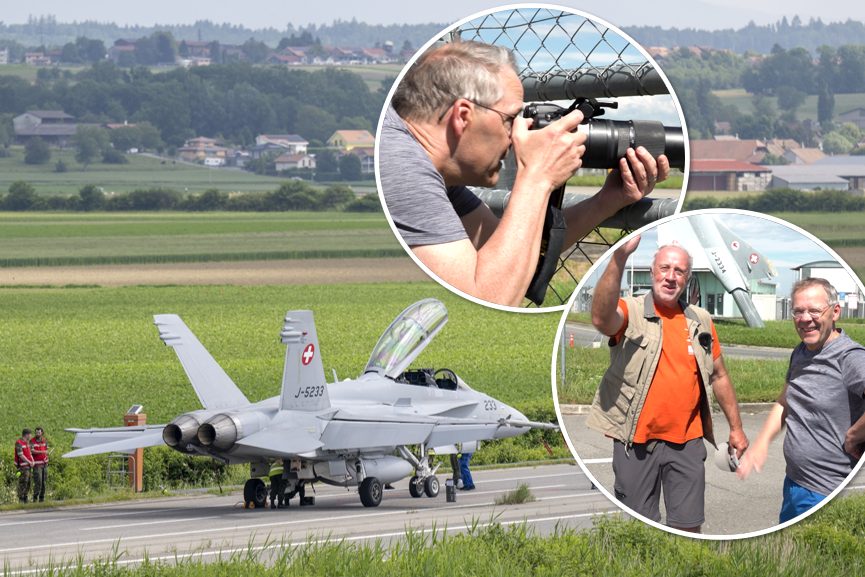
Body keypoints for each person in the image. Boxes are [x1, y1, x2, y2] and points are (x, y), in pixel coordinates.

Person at [379, 40, 670, 307]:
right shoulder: (404, 166)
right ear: (463, 116)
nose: (517, 135)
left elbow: (514, 253)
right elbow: (491, 296)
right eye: (509, 120)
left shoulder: (433, 172)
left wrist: (607, 201)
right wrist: (538, 177)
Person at [586, 236, 749, 532]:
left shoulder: (700, 319)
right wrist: (618, 257)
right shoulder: (631, 309)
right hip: (635, 442)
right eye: (665, 268)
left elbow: (720, 375)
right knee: (640, 529)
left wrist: (736, 429)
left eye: (679, 271)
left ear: (687, 278)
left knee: (689, 528)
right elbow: (601, 318)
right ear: (652, 272)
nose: (671, 277)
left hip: (687, 442)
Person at [737, 278, 865, 522]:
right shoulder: (801, 351)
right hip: (795, 483)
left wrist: (854, 436)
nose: (806, 318)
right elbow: (785, 401)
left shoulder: (850, 357)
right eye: (798, 311)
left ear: (835, 312)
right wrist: (761, 443)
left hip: (827, 491)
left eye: (815, 310)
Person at [14, 428, 35, 504]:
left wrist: (33, 461)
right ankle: (21, 500)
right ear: (26, 435)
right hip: (23, 467)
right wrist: (29, 462)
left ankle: (25, 499)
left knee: (28, 483)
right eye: (30, 434)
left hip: (28, 466)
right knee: (23, 483)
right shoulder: (19, 443)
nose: (31, 436)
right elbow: (20, 455)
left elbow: (29, 454)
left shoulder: (27, 443)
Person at [30, 427, 49, 503]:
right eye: (36, 432)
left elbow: (46, 451)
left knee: (44, 482)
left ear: (42, 433)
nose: (37, 434)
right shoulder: (32, 441)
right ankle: (35, 498)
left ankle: (42, 498)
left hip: (44, 464)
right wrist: (42, 452)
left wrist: (47, 459)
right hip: (37, 465)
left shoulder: (45, 441)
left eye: (39, 432)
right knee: (39, 482)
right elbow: (31, 451)